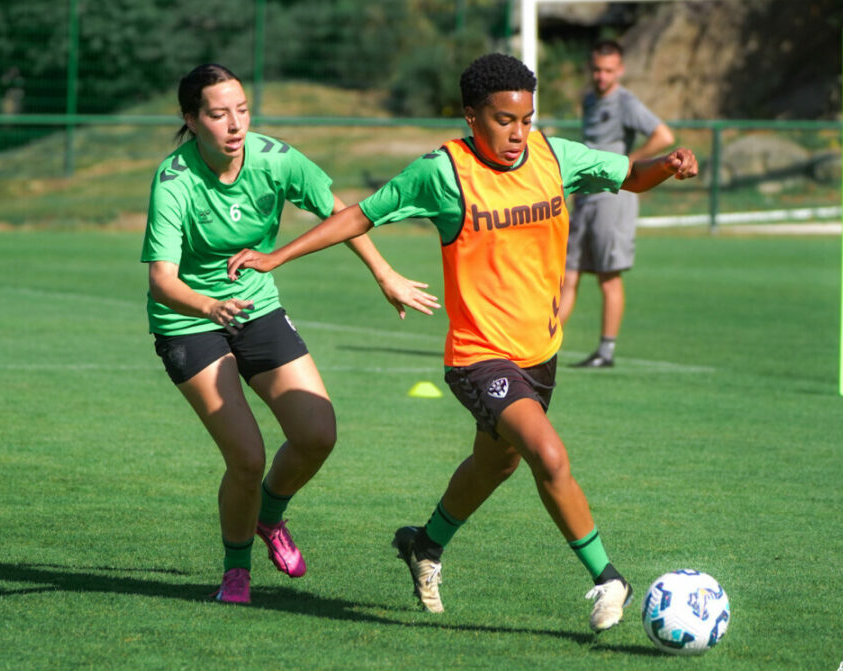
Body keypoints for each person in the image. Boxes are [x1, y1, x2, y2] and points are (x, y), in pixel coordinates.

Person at [226, 53, 697, 632]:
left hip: (539, 352)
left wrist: (666, 166)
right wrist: (277, 256)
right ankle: (608, 578)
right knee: (545, 455)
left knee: (493, 465)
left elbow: (629, 175)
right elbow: (360, 216)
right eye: (503, 120)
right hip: (478, 356)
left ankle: (425, 545)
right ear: (472, 117)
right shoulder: (442, 172)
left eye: (525, 119)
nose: (518, 133)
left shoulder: (555, 155)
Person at [141, 63, 440, 605]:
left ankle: (269, 515)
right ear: (190, 119)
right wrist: (209, 305)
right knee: (247, 457)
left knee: (317, 433)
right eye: (217, 113)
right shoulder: (174, 179)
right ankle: (236, 570)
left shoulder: (276, 160)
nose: (235, 124)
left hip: (256, 308)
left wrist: (385, 273)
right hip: (189, 320)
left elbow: (341, 212)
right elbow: (161, 280)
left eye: (242, 110)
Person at [558, 39, 676, 367]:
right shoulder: (589, 100)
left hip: (614, 197)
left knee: (608, 276)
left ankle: (606, 351)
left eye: (608, 70)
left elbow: (664, 136)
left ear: (620, 70)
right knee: (568, 274)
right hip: (585, 198)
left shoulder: (626, 102)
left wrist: (628, 164)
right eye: (596, 69)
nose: (601, 76)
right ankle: (544, 346)